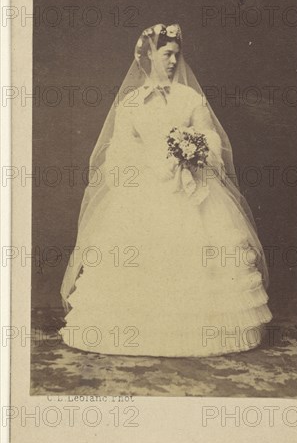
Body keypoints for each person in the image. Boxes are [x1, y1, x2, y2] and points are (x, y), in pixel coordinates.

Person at [59, 23, 272, 357]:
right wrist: (148, 162)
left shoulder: (190, 98)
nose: (173, 61)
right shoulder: (132, 102)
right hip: (145, 188)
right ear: (148, 55)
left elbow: (210, 135)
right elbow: (117, 149)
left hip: (188, 184)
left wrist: (195, 149)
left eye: (176, 55)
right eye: (166, 54)